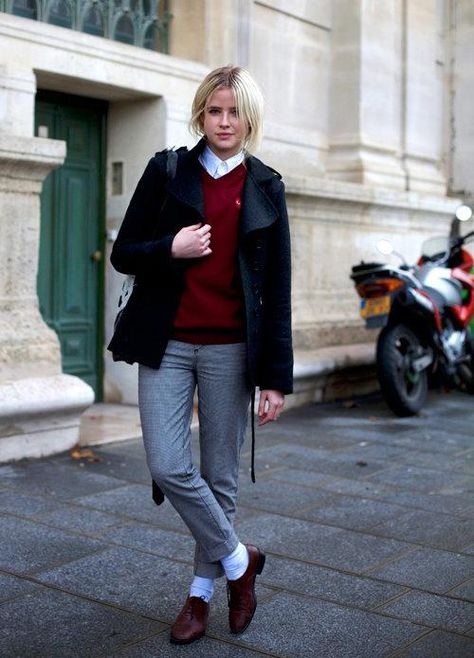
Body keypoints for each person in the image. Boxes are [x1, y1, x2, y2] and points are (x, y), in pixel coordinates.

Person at [108, 65, 293, 645]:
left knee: (219, 477)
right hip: (167, 342)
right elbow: (123, 252)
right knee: (166, 463)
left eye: (234, 112)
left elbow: (279, 288)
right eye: (214, 111)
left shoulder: (266, 186)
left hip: (232, 350)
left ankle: (200, 594)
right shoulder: (167, 171)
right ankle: (242, 562)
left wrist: (275, 379)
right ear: (200, 114)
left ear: (249, 118)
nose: (224, 122)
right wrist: (172, 246)